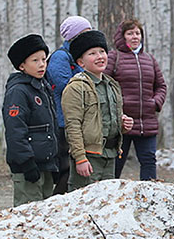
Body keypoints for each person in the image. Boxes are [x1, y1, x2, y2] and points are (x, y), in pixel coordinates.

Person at [61, 30, 134, 191]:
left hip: (110, 155)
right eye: (92, 54)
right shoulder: (76, 87)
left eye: (102, 51)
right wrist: (80, 158)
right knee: (84, 207)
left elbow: (106, 120)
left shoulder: (112, 85)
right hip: (88, 157)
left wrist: (123, 124)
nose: (100, 57)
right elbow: (73, 125)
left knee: (106, 206)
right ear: (81, 62)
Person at [104, 18, 167, 181]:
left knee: (149, 161)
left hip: (147, 121)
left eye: (137, 33)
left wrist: (155, 103)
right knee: (116, 164)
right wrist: (118, 109)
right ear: (122, 37)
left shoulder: (150, 59)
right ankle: (110, 199)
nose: (134, 37)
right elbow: (104, 84)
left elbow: (161, 86)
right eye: (130, 33)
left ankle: (149, 198)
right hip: (121, 123)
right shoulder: (113, 57)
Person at [2, 34, 59, 207]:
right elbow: (15, 130)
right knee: (27, 216)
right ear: (22, 66)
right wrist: (26, 163)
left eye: (44, 59)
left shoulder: (43, 87)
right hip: (28, 166)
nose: (42, 64)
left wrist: (54, 162)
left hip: (45, 164)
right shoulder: (18, 91)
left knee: (45, 214)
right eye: (35, 60)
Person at [46, 16, 92, 195]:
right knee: (65, 168)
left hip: (77, 120)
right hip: (62, 120)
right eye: (84, 33)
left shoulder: (77, 57)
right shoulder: (61, 57)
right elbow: (66, 87)